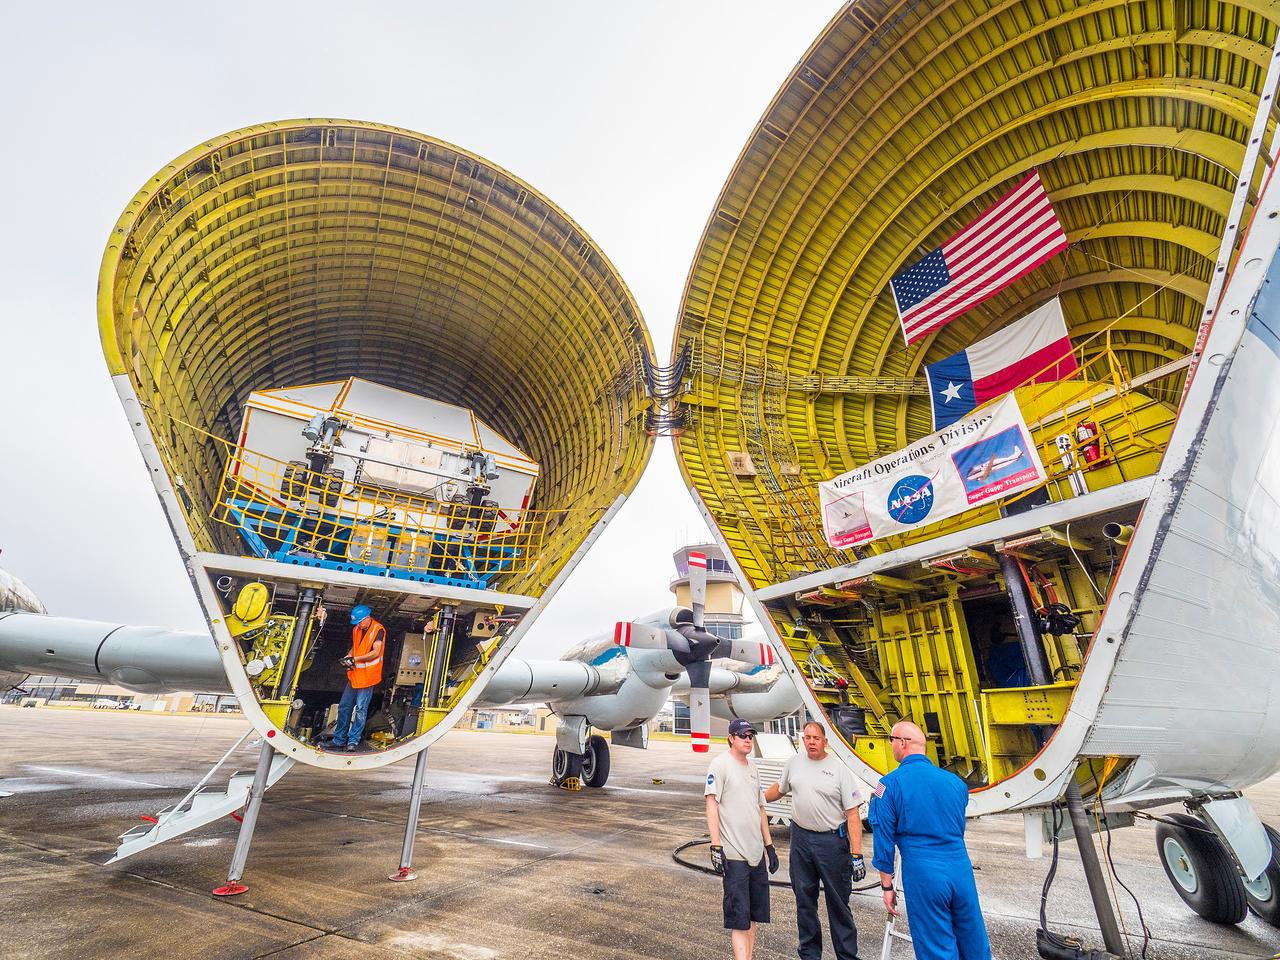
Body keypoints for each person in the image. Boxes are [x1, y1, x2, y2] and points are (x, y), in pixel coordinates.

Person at [871, 720, 991, 960]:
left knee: (936, 947)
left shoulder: (888, 785)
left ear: (903, 743)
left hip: (924, 872)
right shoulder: (956, 784)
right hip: (961, 870)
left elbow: (883, 839)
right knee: (974, 943)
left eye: (892, 740)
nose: (891, 745)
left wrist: (887, 886)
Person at [763, 721, 865, 960]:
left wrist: (857, 855)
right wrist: (756, 798)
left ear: (825, 741)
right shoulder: (794, 763)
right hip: (801, 840)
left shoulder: (839, 770)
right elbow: (780, 788)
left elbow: (853, 813)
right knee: (804, 900)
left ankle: (847, 956)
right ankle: (809, 954)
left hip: (831, 844)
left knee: (838, 903)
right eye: (807, 737)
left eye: (815, 738)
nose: (810, 742)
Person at [706, 718, 779, 960]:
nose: (748, 739)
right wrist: (716, 845)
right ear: (731, 738)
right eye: (743, 735)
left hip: (756, 853)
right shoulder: (720, 765)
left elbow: (760, 808)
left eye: (750, 736)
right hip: (734, 854)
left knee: (753, 917)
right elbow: (711, 804)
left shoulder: (753, 769)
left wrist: (769, 846)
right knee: (739, 919)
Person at [330, 604, 385, 752]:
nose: (359, 625)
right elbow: (356, 646)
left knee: (361, 709)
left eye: (360, 622)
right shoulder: (357, 629)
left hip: (368, 677)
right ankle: (339, 739)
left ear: (367, 618)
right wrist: (349, 656)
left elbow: (375, 652)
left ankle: (353, 741)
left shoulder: (378, 629)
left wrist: (356, 659)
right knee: (344, 706)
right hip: (356, 675)